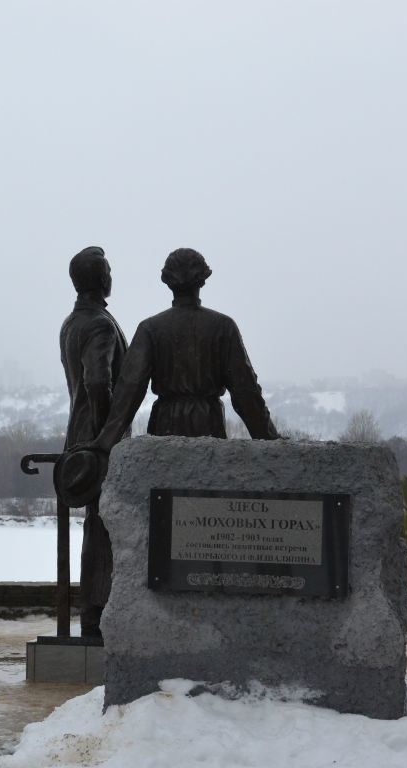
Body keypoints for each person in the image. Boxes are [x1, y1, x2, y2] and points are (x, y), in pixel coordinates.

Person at [92, 247, 281, 450]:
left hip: (165, 425)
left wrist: (106, 440)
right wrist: (268, 437)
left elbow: (129, 391)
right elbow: (246, 392)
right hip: (208, 424)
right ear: (202, 280)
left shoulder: (150, 328)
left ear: (167, 281)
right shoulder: (223, 326)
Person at [59, 246, 128, 638]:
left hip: (80, 436)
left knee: (97, 527)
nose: (111, 276)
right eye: (109, 270)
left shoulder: (73, 321)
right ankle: (96, 616)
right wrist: (108, 436)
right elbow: (98, 382)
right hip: (98, 443)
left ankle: (94, 614)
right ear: (101, 279)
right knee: (103, 530)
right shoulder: (99, 324)